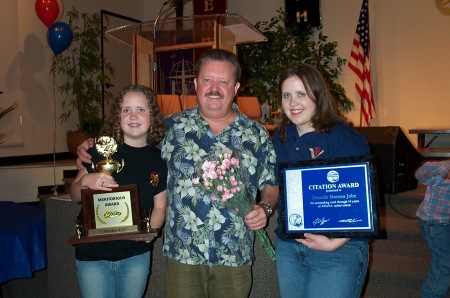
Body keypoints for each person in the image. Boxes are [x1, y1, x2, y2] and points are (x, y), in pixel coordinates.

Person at [77, 49, 278, 298]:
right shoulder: (170, 128)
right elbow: (130, 141)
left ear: (236, 87)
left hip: (234, 253)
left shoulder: (256, 134)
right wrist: (93, 145)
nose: (214, 88)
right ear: (195, 84)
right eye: (207, 80)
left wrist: (265, 208)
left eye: (223, 81)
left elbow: (271, 185)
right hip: (183, 255)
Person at [272, 63, 371, 298]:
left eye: (301, 94)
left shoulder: (344, 138)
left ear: (318, 94)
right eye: (287, 95)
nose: (293, 102)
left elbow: (361, 202)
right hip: (290, 249)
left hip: (338, 249)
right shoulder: (281, 137)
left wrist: (334, 242)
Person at [70, 85, 167, 298]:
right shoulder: (98, 151)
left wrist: (151, 232)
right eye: (126, 110)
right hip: (92, 255)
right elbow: (75, 195)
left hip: (135, 256)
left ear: (152, 117)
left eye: (141, 110)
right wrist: (86, 180)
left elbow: (160, 206)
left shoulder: (160, 160)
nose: (133, 115)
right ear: (118, 117)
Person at [415, 160, 450, 298]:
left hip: (446, 221)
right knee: (444, 262)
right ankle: (431, 294)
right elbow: (420, 173)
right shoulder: (443, 167)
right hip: (433, 224)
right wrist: (441, 172)